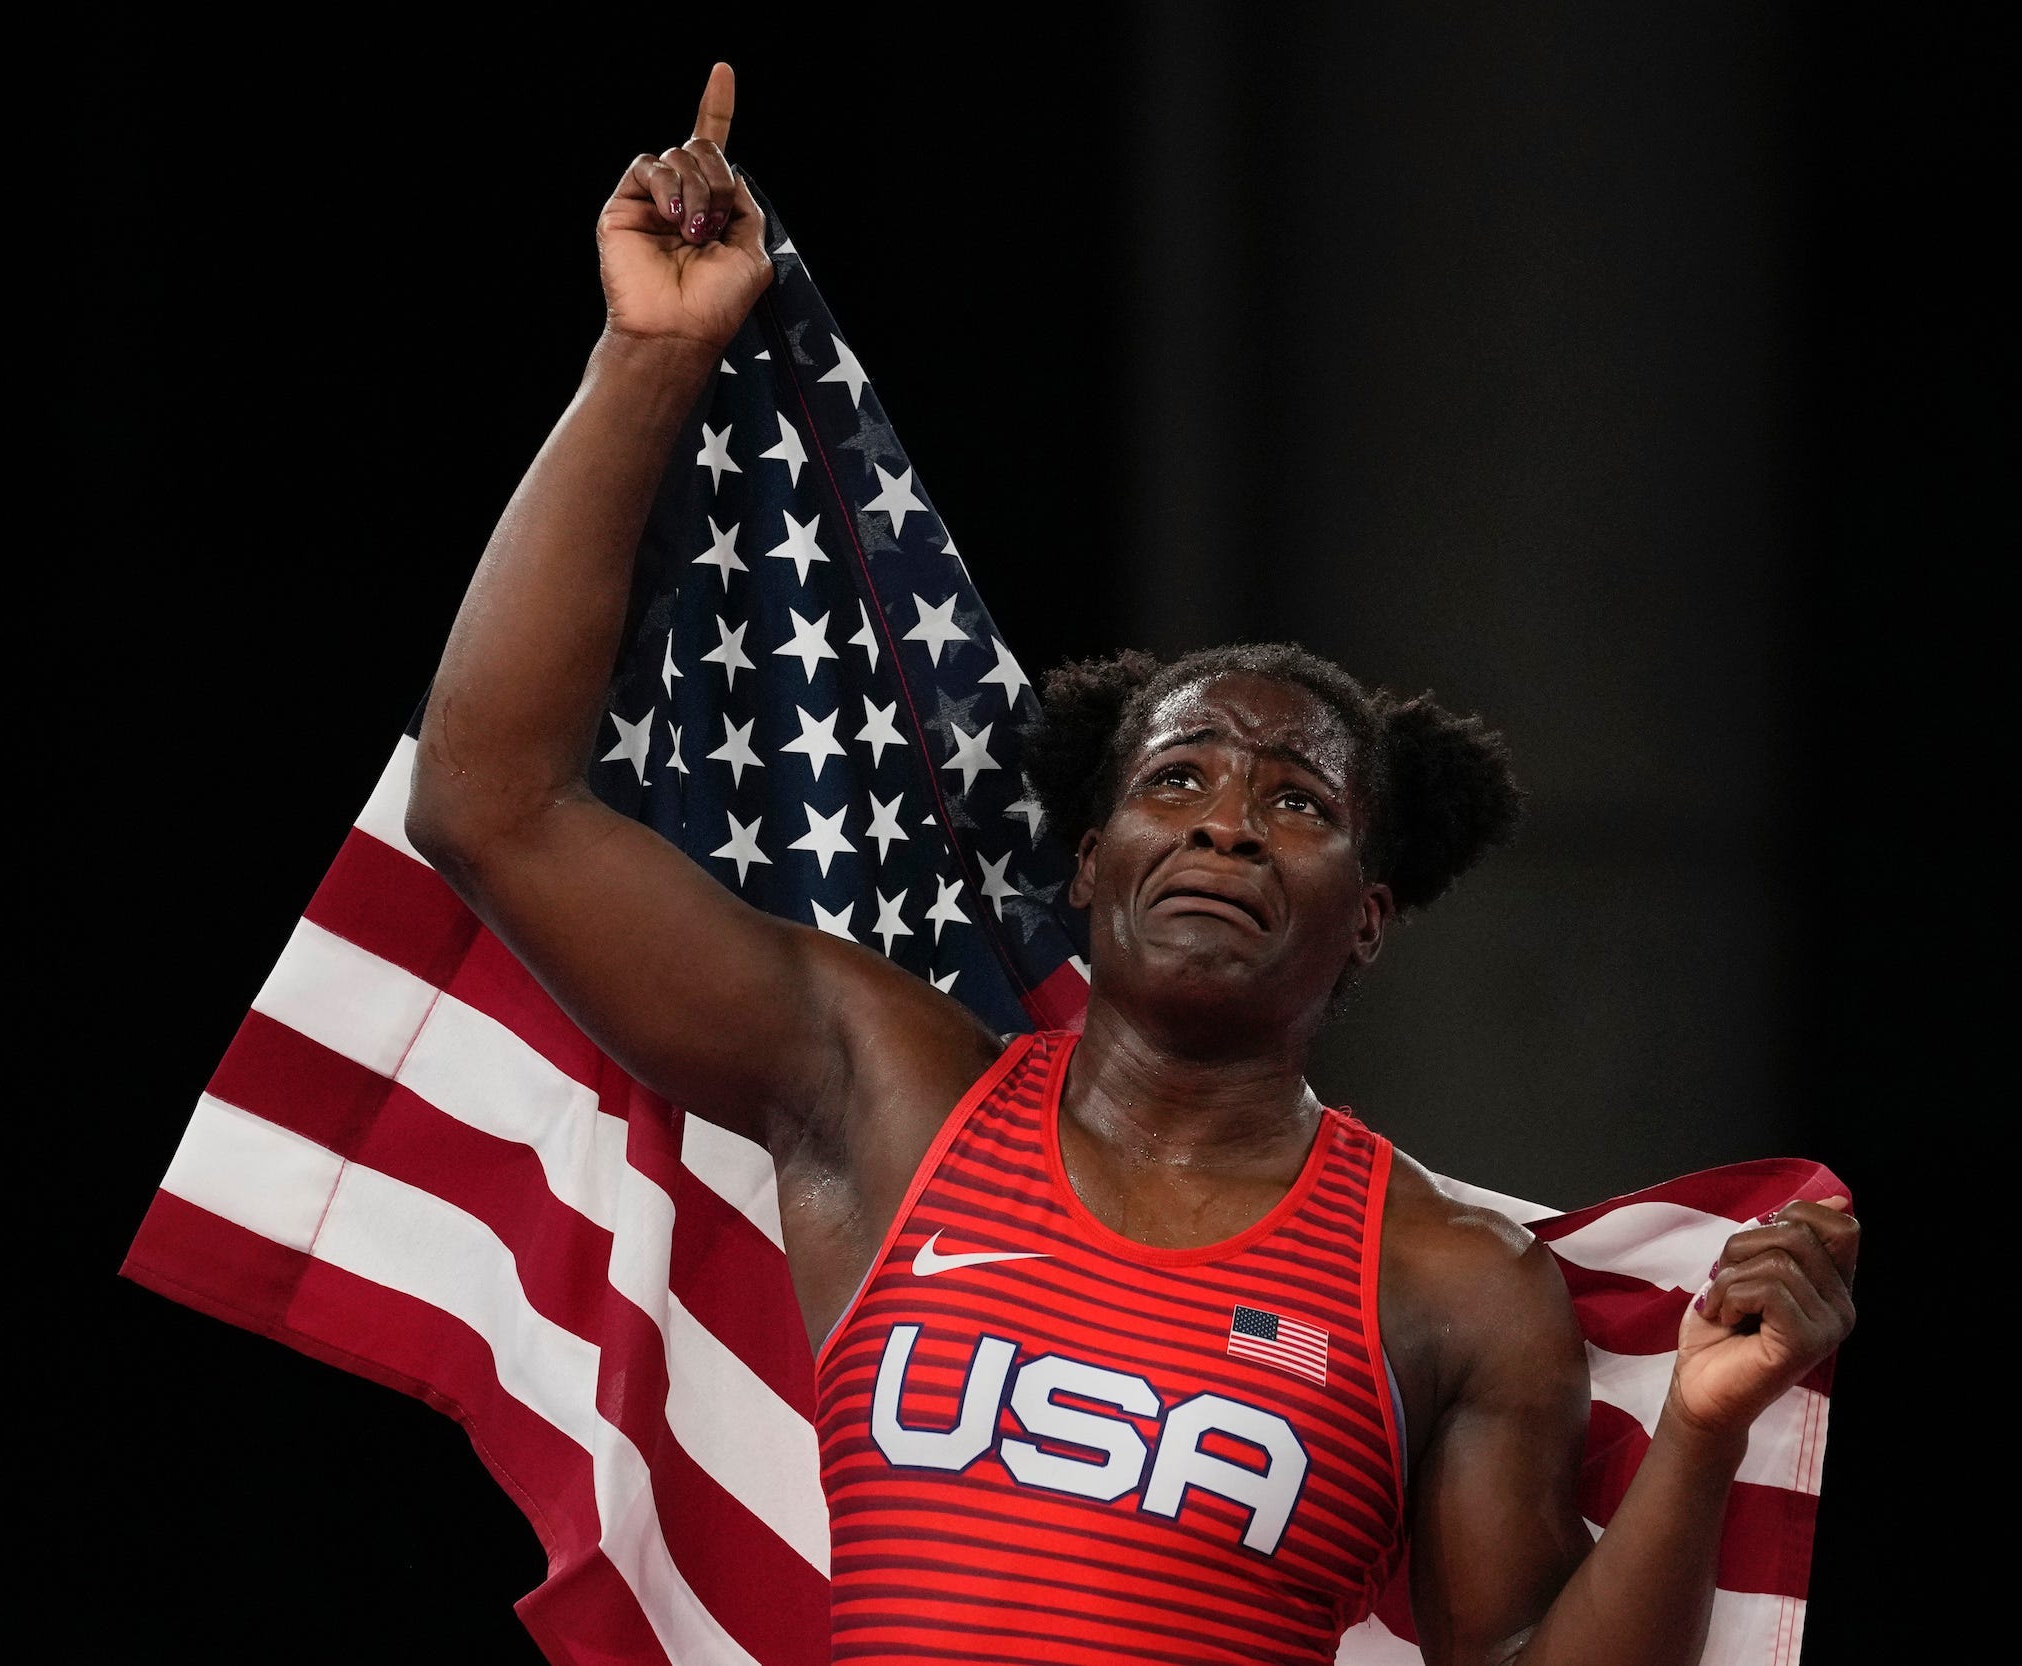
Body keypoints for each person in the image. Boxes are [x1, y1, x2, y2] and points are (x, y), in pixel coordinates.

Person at [403, 63, 1858, 1666]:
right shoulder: (886, 1095)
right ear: (1090, 860)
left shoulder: (1448, 1283)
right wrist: (651, 353)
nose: (1228, 818)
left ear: (1366, 919)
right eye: (1179, 778)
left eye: (1297, 802)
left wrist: (1706, 1426)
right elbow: (493, 807)